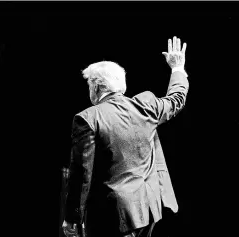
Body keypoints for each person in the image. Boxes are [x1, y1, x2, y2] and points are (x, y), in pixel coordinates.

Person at [61, 36, 189, 237]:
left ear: (97, 86)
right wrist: (177, 68)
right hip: (149, 210)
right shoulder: (146, 105)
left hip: (113, 217)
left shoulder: (88, 118)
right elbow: (176, 99)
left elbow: (81, 174)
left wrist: (72, 217)